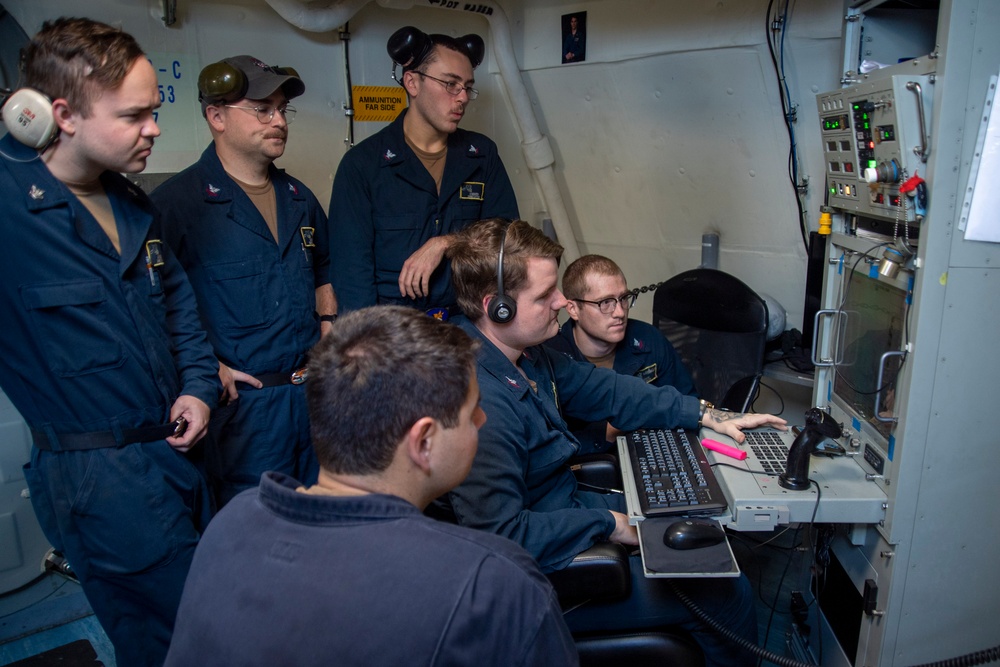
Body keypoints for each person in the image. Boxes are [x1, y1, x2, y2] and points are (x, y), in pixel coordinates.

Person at [445, 218, 789, 667]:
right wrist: (607, 523)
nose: (560, 303)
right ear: (499, 308)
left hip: (565, 514)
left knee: (695, 531)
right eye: (545, 295)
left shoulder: (525, 357)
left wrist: (709, 414)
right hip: (544, 584)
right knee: (724, 590)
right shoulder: (480, 402)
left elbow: (610, 391)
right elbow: (502, 538)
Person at [164, 306, 578, 666]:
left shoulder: (232, 523)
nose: (483, 422)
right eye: (473, 412)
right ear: (423, 441)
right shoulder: (493, 582)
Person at [0, 18, 220, 667]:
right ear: (58, 113)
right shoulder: (10, 206)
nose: (154, 128)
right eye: (135, 115)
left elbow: (179, 307)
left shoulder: (128, 200)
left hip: (178, 456)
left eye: (153, 112)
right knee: (193, 638)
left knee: (196, 626)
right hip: (100, 480)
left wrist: (200, 389)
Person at [151, 55, 333, 507]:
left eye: (281, 110)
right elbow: (150, 308)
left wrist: (328, 322)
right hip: (245, 414)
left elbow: (325, 268)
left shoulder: (299, 198)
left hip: (310, 399)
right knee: (253, 536)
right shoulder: (176, 206)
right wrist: (202, 370)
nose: (278, 121)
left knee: (321, 523)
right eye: (262, 109)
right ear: (216, 116)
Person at [329, 26, 518, 318]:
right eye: (450, 84)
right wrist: (367, 346)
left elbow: (509, 235)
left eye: (467, 87)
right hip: (394, 329)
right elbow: (352, 272)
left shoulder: (481, 155)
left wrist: (446, 243)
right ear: (412, 83)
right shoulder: (363, 165)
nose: (463, 97)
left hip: (467, 321)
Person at [545, 254, 697, 454]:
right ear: (573, 309)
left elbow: (686, 403)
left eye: (623, 298)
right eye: (605, 303)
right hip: (585, 468)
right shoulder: (551, 356)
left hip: (652, 454)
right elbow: (547, 445)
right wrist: (608, 432)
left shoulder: (648, 339)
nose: (619, 312)